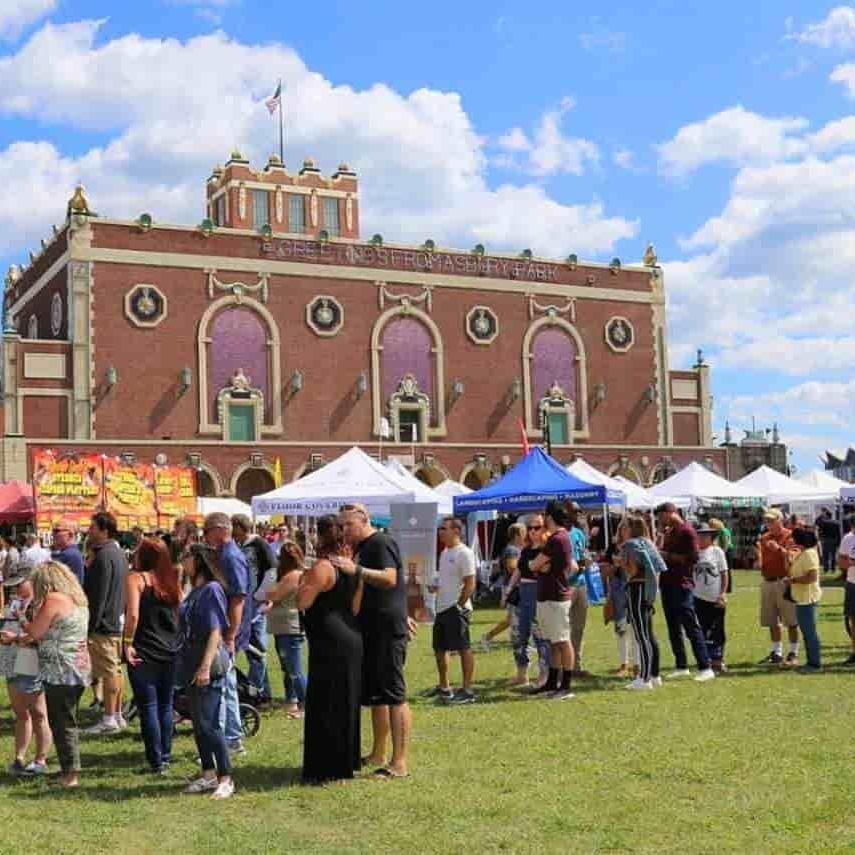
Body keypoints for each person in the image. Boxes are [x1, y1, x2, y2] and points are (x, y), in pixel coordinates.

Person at [335, 504, 412, 778]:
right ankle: (379, 752)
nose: (344, 531)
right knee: (377, 695)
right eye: (341, 526)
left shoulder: (380, 542)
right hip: (372, 628)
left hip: (387, 629)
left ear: (364, 520)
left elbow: (390, 578)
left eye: (349, 525)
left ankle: (399, 763)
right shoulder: (362, 547)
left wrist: (355, 569)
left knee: (394, 695)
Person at [298, 515, 363, 784]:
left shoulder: (323, 568)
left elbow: (303, 601)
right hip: (350, 634)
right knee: (345, 701)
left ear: (322, 537)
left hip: (328, 640)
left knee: (326, 702)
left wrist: (302, 582)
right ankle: (344, 762)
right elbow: (356, 606)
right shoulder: (352, 568)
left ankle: (326, 767)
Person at [19, 561, 91, 788]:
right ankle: (69, 768)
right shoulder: (78, 600)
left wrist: (21, 617)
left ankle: (70, 775)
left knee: (62, 723)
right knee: (67, 720)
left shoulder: (54, 599)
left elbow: (36, 632)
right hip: (77, 668)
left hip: (61, 670)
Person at [177, 543, 234, 799]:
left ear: (198, 559)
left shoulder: (211, 590)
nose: (182, 561)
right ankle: (208, 773)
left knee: (211, 724)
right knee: (199, 724)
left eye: (186, 557)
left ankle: (226, 777)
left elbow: (215, 631)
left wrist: (205, 666)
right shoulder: (195, 590)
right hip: (190, 660)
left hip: (206, 662)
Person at [124, 537, 181, 774]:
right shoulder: (172, 581)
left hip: (144, 649)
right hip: (170, 648)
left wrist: (127, 642)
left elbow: (133, 615)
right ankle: (165, 756)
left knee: (148, 705)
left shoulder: (136, 579)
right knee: (166, 705)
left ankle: (155, 761)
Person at [203, 511, 248, 755]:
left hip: (230, 631)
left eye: (207, 530)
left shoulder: (231, 557)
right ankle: (232, 737)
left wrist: (230, 635)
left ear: (220, 530)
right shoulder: (225, 555)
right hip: (227, 629)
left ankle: (230, 739)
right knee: (227, 684)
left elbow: (238, 599)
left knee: (224, 686)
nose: (205, 536)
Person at [0, 567, 52, 776]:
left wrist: (13, 638)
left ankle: (41, 759)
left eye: (19, 584)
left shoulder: (41, 603)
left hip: (29, 656)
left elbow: (37, 635)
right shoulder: (14, 601)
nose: (15, 589)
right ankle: (19, 758)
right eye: (12, 586)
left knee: (38, 712)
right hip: (11, 655)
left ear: (31, 581)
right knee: (20, 712)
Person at [655, 503, 715, 682]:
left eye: (661, 516)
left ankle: (705, 666)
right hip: (667, 583)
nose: (660, 520)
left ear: (670, 513)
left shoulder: (687, 531)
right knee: (673, 627)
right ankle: (681, 665)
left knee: (690, 625)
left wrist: (668, 556)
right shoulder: (670, 531)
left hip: (682, 584)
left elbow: (694, 558)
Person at [83, 511, 129, 735]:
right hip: (115, 619)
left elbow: (98, 595)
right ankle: (116, 715)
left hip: (104, 624)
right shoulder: (118, 553)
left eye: (92, 528)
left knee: (110, 671)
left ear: (104, 530)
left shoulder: (104, 555)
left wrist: (91, 625)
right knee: (116, 670)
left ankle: (110, 717)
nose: (89, 531)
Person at [529, 500, 577, 700]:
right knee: (554, 641)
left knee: (562, 641)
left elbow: (533, 565)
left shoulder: (557, 539)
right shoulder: (562, 537)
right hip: (551, 595)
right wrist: (543, 566)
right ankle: (552, 682)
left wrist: (540, 565)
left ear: (549, 517)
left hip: (555, 597)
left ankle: (565, 686)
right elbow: (568, 566)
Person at [428, 518, 477, 704]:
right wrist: (436, 586)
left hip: (456, 609)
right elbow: (447, 578)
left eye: (443, 529)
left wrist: (460, 605)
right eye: (439, 528)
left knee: (463, 648)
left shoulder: (464, 553)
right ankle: (444, 687)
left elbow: (470, 583)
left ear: (456, 531)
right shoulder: (445, 552)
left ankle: (467, 690)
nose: (440, 532)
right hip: (441, 607)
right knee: (439, 648)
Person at [256, 541, 307, 718]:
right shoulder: (289, 575)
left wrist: (270, 591)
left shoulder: (293, 575)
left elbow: (272, 594)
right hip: (282, 627)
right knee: (287, 669)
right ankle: (292, 699)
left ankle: (305, 702)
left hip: (289, 628)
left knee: (295, 670)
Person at [231, 514, 274, 703]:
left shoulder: (259, 544)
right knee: (250, 648)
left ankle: (256, 690)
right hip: (245, 603)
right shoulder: (238, 545)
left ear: (240, 526)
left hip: (255, 604)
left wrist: (261, 596)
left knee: (256, 647)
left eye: (233, 526)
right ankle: (263, 692)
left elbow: (272, 571)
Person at [507, 517, 551, 689]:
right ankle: (522, 674)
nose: (533, 531)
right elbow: (518, 569)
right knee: (518, 635)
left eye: (537, 527)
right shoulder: (525, 550)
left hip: (538, 593)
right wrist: (509, 588)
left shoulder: (546, 549)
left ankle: (544, 674)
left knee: (540, 636)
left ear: (544, 528)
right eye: (530, 528)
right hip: (522, 593)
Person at [622, 515, 664, 690]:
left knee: (641, 635)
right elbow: (659, 567)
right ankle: (654, 675)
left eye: (623, 528)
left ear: (629, 529)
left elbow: (633, 568)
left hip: (637, 588)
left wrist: (622, 563)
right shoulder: (650, 543)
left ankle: (644, 678)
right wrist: (652, 592)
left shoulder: (630, 545)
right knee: (650, 634)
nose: (621, 531)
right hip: (648, 591)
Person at [757, 508, 799, 666]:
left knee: (791, 620)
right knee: (771, 620)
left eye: (772, 520)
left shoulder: (790, 536)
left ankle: (793, 652)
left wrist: (780, 550)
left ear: (780, 520)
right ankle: (777, 652)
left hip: (784, 581)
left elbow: (794, 557)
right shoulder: (764, 538)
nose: (768, 524)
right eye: (766, 521)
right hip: (768, 581)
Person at [785, 526, 822, 673]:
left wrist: (793, 581)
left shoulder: (809, 554)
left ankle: (814, 663)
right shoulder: (803, 553)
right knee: (807, 631)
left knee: (809, 632)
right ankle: (811, 661)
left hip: (808, 598)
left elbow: (811, 577)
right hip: (801, 598)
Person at [693, 526, 729, 673]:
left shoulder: (717, 551)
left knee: (717, 630)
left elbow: (724, 574)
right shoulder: (694, 552)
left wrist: (722, 593)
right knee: (700, 629)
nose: (701, 538)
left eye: (704, 536)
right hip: (697, 597)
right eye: (699, 535)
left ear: (710, 537)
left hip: (715, 597)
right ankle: (704, 659)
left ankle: (718, 659)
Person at [600, 521, 634, 678]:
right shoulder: (613, 548)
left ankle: (639, 664)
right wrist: (616, 565)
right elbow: (604, 572)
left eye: (628, 528)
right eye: (622, 528)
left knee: (635, 627)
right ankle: (623, 664)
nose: (624, 531)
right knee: (621, 627)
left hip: (634, 587)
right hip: (618, 588)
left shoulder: (637, 546)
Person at [565, 503, 591, 677]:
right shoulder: (560, 534)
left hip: (580, 584)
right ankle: (563, 666)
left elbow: (583, 555)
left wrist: (586, 562)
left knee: (578, 627)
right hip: (565, 585)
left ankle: (576, 665)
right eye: (575, 511)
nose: (578, 513)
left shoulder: (579, 533)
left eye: (579, 510)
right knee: (563, 628)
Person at [838, 516, 855, 665]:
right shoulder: (848, 538)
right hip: (852, 583)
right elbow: (841, 562)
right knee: (853, 620)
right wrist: (849, 563)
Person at [51, 519, 85, 586]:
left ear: (70, 534)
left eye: (56, 531)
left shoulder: (69, 555)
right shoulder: (72, 552)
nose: (52, 534)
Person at [815, 508, 840, 574]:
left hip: (825, 540)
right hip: (834, 540)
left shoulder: (824, 522)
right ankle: (833, 568)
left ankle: (826, 569)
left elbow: (817, 522)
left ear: (826, 516)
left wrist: (821, 515)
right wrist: (838, 542)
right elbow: (838, 533)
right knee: (833, 555)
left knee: (825, 555)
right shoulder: (836, 522)